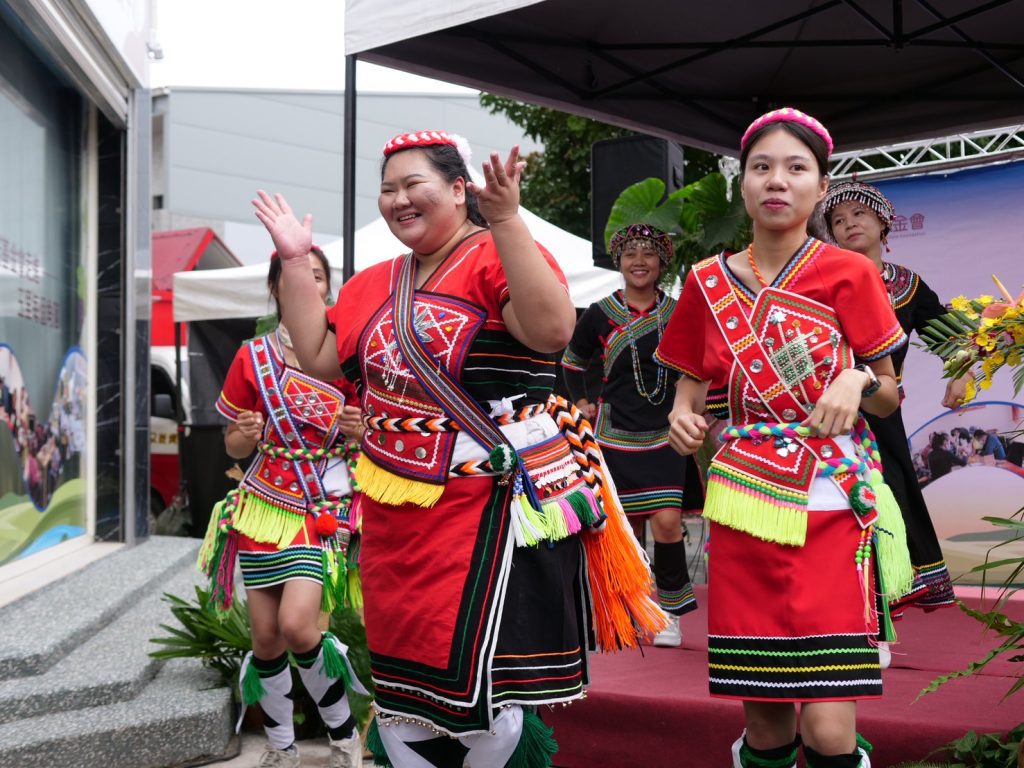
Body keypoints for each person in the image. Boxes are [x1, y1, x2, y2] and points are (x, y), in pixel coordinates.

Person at [251, 131, 663, 768]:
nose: (397, 199)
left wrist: (507, 219)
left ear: (457, 189)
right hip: (395, 513)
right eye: (387, 189)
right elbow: (319, 356)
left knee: (488, 697)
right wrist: (297, 260)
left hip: (490, 507)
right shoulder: (372, 283)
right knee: (404, 692)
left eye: (413, 184)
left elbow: (553, 330)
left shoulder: (497, 254)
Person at [657, 107, 912, 768]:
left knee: (828, 731)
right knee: (767, 725)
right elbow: (689, 387)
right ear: (742, 183)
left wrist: (857, 380)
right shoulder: (706, 282)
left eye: (796, 168)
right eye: (762, 167)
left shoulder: (849, 273)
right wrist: (682, 417)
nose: (777, 180)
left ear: (820, 187)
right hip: (745, 505)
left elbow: (889, 391)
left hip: (832, 502)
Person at [197, 245, 367, 768]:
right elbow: (233, 447)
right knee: (267, 639)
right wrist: (244, 434)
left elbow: (374, 437)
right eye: (296, 275)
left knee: (298, 626)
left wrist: (359, 431)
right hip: (262, 508)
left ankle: (344, 736)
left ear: (327, 287)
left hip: (320, 508)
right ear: (276, 286)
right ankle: (280, 746)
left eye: (317, 276)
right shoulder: (252, 357)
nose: (307, 284)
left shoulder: (345, 355)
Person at [561, 222, 702, 647]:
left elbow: (698, 367)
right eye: (630, 254)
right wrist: (581, 402)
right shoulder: (599, 313)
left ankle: (670, 612)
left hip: (666, 432)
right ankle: (633, 608)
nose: (639, 261)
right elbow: (571, 362)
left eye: (648, 253)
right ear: (619, 262)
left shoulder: (678, 313)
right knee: (626, 527)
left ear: (661, 262)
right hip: (614, 433)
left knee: (667, 523)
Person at [823, 180, 960, 614]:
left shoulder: (908, 286)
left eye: (858, 214)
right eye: (838, 220)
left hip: (879, 411)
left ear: (884, 223)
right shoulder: (820, 281)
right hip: (825, 413)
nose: (849, 224)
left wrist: (960, 375)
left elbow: (951, 337)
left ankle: (883, 607)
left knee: (889, 498)